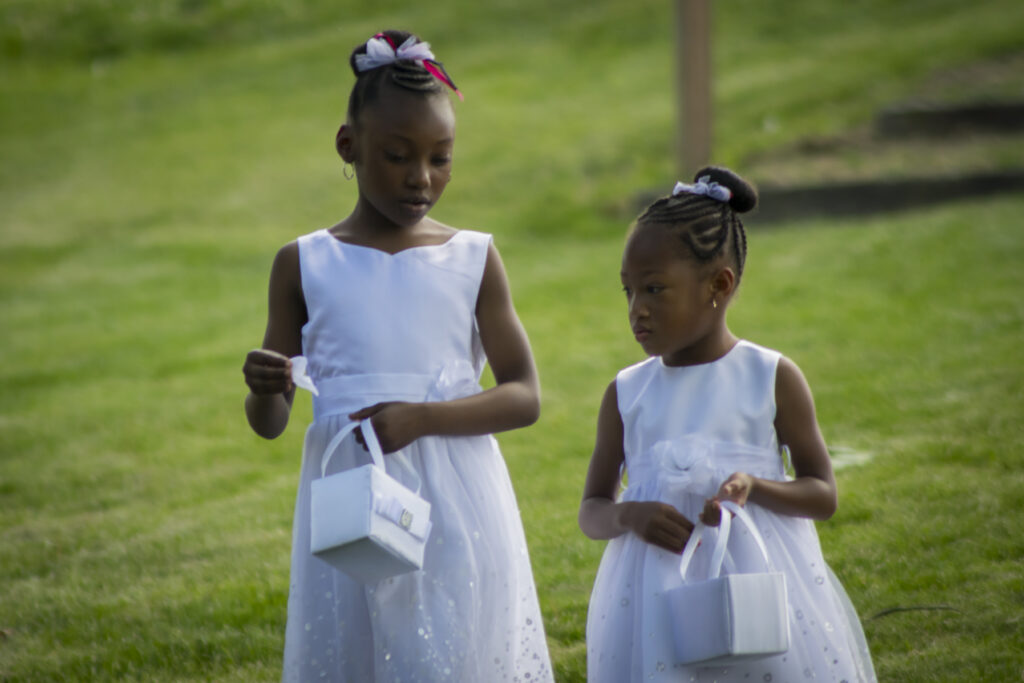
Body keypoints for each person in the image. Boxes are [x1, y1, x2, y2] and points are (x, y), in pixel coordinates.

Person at [242, 30, 553, 682]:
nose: (421, 177)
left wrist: (423, 418)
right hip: (349, 496)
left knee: (452, 648)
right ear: (348, 147)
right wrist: (267, 387)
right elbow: (270, 422)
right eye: (397, 155)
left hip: (460, 499)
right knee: (359, 649)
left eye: (442, 158)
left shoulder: (472, 257)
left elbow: (525, 395)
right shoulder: (303, 262)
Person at [578, 167, 876, 682]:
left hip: (757, 594)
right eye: (628, 291)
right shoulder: (627, 393)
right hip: (653, 606)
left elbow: (821, 494)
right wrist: (631, 516)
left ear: (718, 285)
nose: (636, 311)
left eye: (654, 289)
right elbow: (591, 511)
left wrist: (755, 487)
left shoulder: (770, 377)